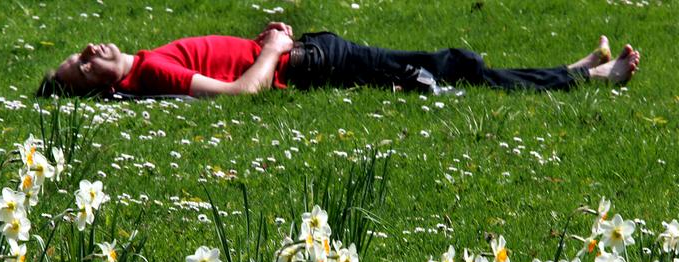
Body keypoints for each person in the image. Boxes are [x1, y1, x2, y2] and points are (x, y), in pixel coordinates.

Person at [36, 22, 640, 99]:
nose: (89, 52)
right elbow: (241, 93)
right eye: (82, 68)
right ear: (102, 89)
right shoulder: (147, 75)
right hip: (313, 62)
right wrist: (275, 49)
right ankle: (584, 76)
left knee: (453, 66)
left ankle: (575, 71)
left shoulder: (141, 63)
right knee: (457, 66)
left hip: (313, 54)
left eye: (78, 52)